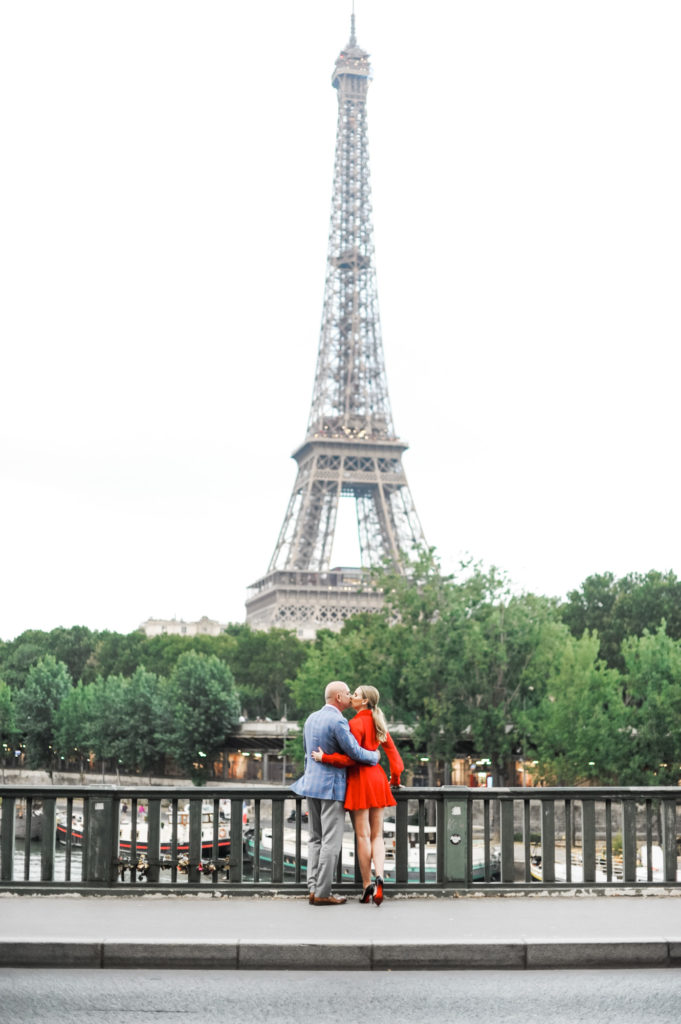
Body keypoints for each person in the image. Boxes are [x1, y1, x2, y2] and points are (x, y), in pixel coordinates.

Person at [311, 685, 402, 906]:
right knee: (377, 835)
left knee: (363, 835)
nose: (352, 696)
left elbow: (352, 758)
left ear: (363, 701)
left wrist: (327, 758)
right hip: (379, 780)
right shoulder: (379, 722)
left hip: (360, 781)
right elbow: (396, 761)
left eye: (356, 695)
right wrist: (395, 780)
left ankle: (366, 886)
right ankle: (380, 878)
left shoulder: (353, 724)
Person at [291, 680, 380, 906]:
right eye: (348, 693)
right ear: (339, 698)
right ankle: (322, 893)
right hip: (331, 789)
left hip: (311, 785)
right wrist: (375, 757)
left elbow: (305, 752)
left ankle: (312, 888)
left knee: (315, 840)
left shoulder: (311, 719)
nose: (350, 696)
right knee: (331, 842)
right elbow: (355, 752)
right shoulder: (338, 721)